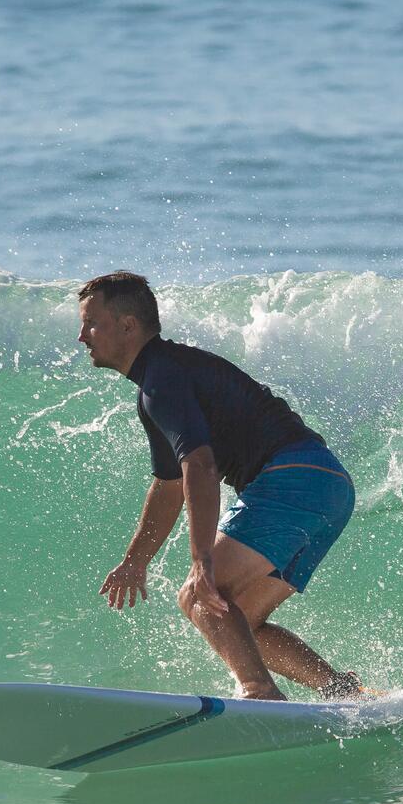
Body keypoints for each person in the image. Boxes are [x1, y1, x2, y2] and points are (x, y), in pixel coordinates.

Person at [77, 271, 364, 701]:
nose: (82, 336)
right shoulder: (161, 381)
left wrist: (202, 560)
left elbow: (201, 465)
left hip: (292, 478)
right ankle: (343, 691)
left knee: (200, 596)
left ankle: (258, 691)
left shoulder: (162, 379)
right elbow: (170, 484)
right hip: (329, 485)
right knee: (238, 621)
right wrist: (136, 561)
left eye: (91, 323)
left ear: (127, 325)